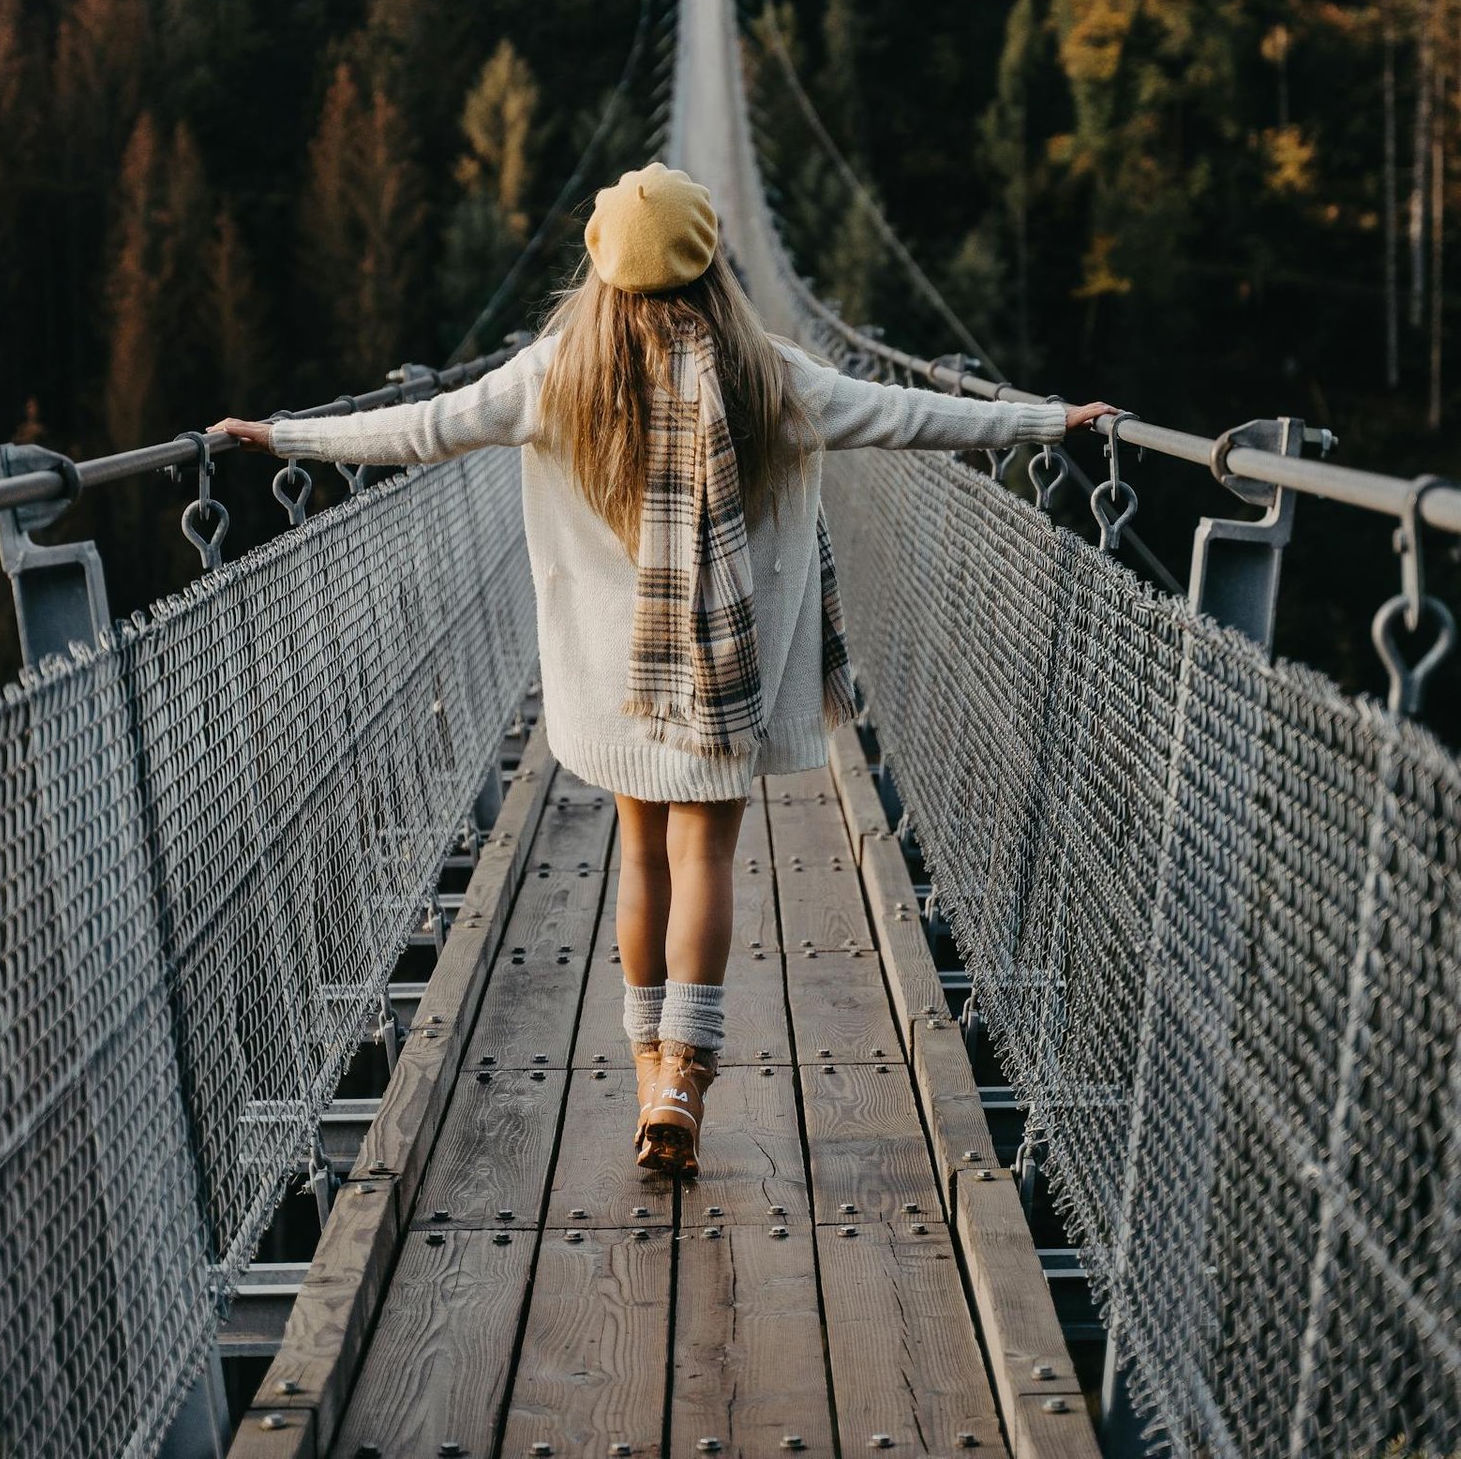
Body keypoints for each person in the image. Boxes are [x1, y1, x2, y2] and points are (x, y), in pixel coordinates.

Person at [213, 162, 1114, 1175]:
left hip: (614, 679)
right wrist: (1047, 420)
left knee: (636, 861)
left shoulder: (556, 374)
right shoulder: (770, 375)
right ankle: (686, 1075)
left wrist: (283, 434)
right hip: (728, 675)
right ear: (710, 263)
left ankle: (648, 1077)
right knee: (706, 862)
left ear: (599, 264)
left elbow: (419, 430)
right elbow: (908, 417)